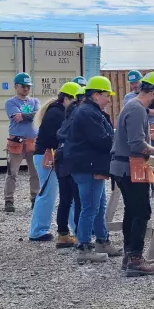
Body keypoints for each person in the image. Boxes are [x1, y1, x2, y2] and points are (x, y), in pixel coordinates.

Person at [111, 72, 154, 277]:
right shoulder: (137, 109)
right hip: (130, 167)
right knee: (141, 212)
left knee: (131, 211)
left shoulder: (133, 107)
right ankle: (136, 260)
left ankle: (129, 255)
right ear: (153, 92)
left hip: (123, 167)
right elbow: (136, 144)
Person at [61, 75, 122, 263]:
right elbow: (101, 140)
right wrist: (119, 142)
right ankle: (84, 247)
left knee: (98, 206)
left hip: (88, 165)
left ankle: (102, 241)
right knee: (90, 207)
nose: (109, 99)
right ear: (96, 95)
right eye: (106, 95)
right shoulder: (88, 113)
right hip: (88, 167)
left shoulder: (87, 111)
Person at [28, 81, 81, 242]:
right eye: (76, 101)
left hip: (47, 156)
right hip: (47, 156)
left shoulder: (55, 111)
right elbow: (57, 138)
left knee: (59, 193)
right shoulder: (57, 114)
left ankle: (75, 228)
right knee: (48, 194)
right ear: (67, 98)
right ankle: (38, 231)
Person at [3, 72, 41, 213]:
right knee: (12, 172)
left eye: (28, 86)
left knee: (35, 172)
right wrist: (31, 116)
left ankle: (35, 198)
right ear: (16, 87)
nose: (26, 89)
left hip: (32, 141)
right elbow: (17, 118)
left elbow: (37, 115)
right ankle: (8, 201)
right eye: (23, 86)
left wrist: (25, 115)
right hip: (16, 142)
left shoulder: (35, 101)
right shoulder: (10, 103)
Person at [55, 86, 84, 248]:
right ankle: (81, 236)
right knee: (79, 200)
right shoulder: (81, 114)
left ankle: (63, 235)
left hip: (61, 158)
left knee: (65, 199)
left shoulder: (68, 113)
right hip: (72, 160)